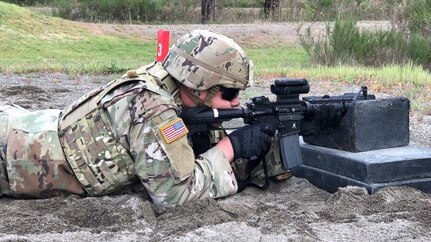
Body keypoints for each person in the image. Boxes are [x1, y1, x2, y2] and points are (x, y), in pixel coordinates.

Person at [0, 30, 284, 207]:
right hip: (12, 157)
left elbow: (195, 158)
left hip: (25, 127)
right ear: (199, 85)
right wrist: (231, 147)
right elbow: (174, 195)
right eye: (231, 92)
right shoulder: (153, 108)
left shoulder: (170, 86)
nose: (236, 102)